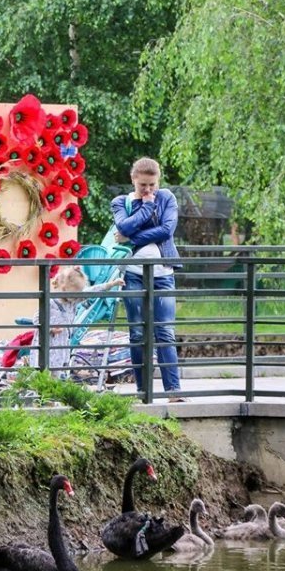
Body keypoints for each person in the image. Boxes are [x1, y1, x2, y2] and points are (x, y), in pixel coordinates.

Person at [110, 157, 183, 399]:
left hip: (163, 273)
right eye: (143, 185)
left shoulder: (168, 198)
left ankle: (173, 391)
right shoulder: (121, 202)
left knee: (165, 332)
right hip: (133, 274)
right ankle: (143, 391)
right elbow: (123, 224)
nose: (149, 190)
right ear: (133, 180)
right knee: (138, 333)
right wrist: (148, 208)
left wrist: (131, 238)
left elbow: (166, 230)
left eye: (152, 185)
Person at [29, 265, 124, 377]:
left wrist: (110, 285)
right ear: (64, 288)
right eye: (74, 293)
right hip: (47, 342)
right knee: (40, 373)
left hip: (60, 345)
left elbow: (91, 291)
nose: (76, 296)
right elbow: (36, 319)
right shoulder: (51, 302)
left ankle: (52, 394)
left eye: (78, 293)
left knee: (56, 373)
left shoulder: (73, 301)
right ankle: (31, 390)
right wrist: (51, 328)